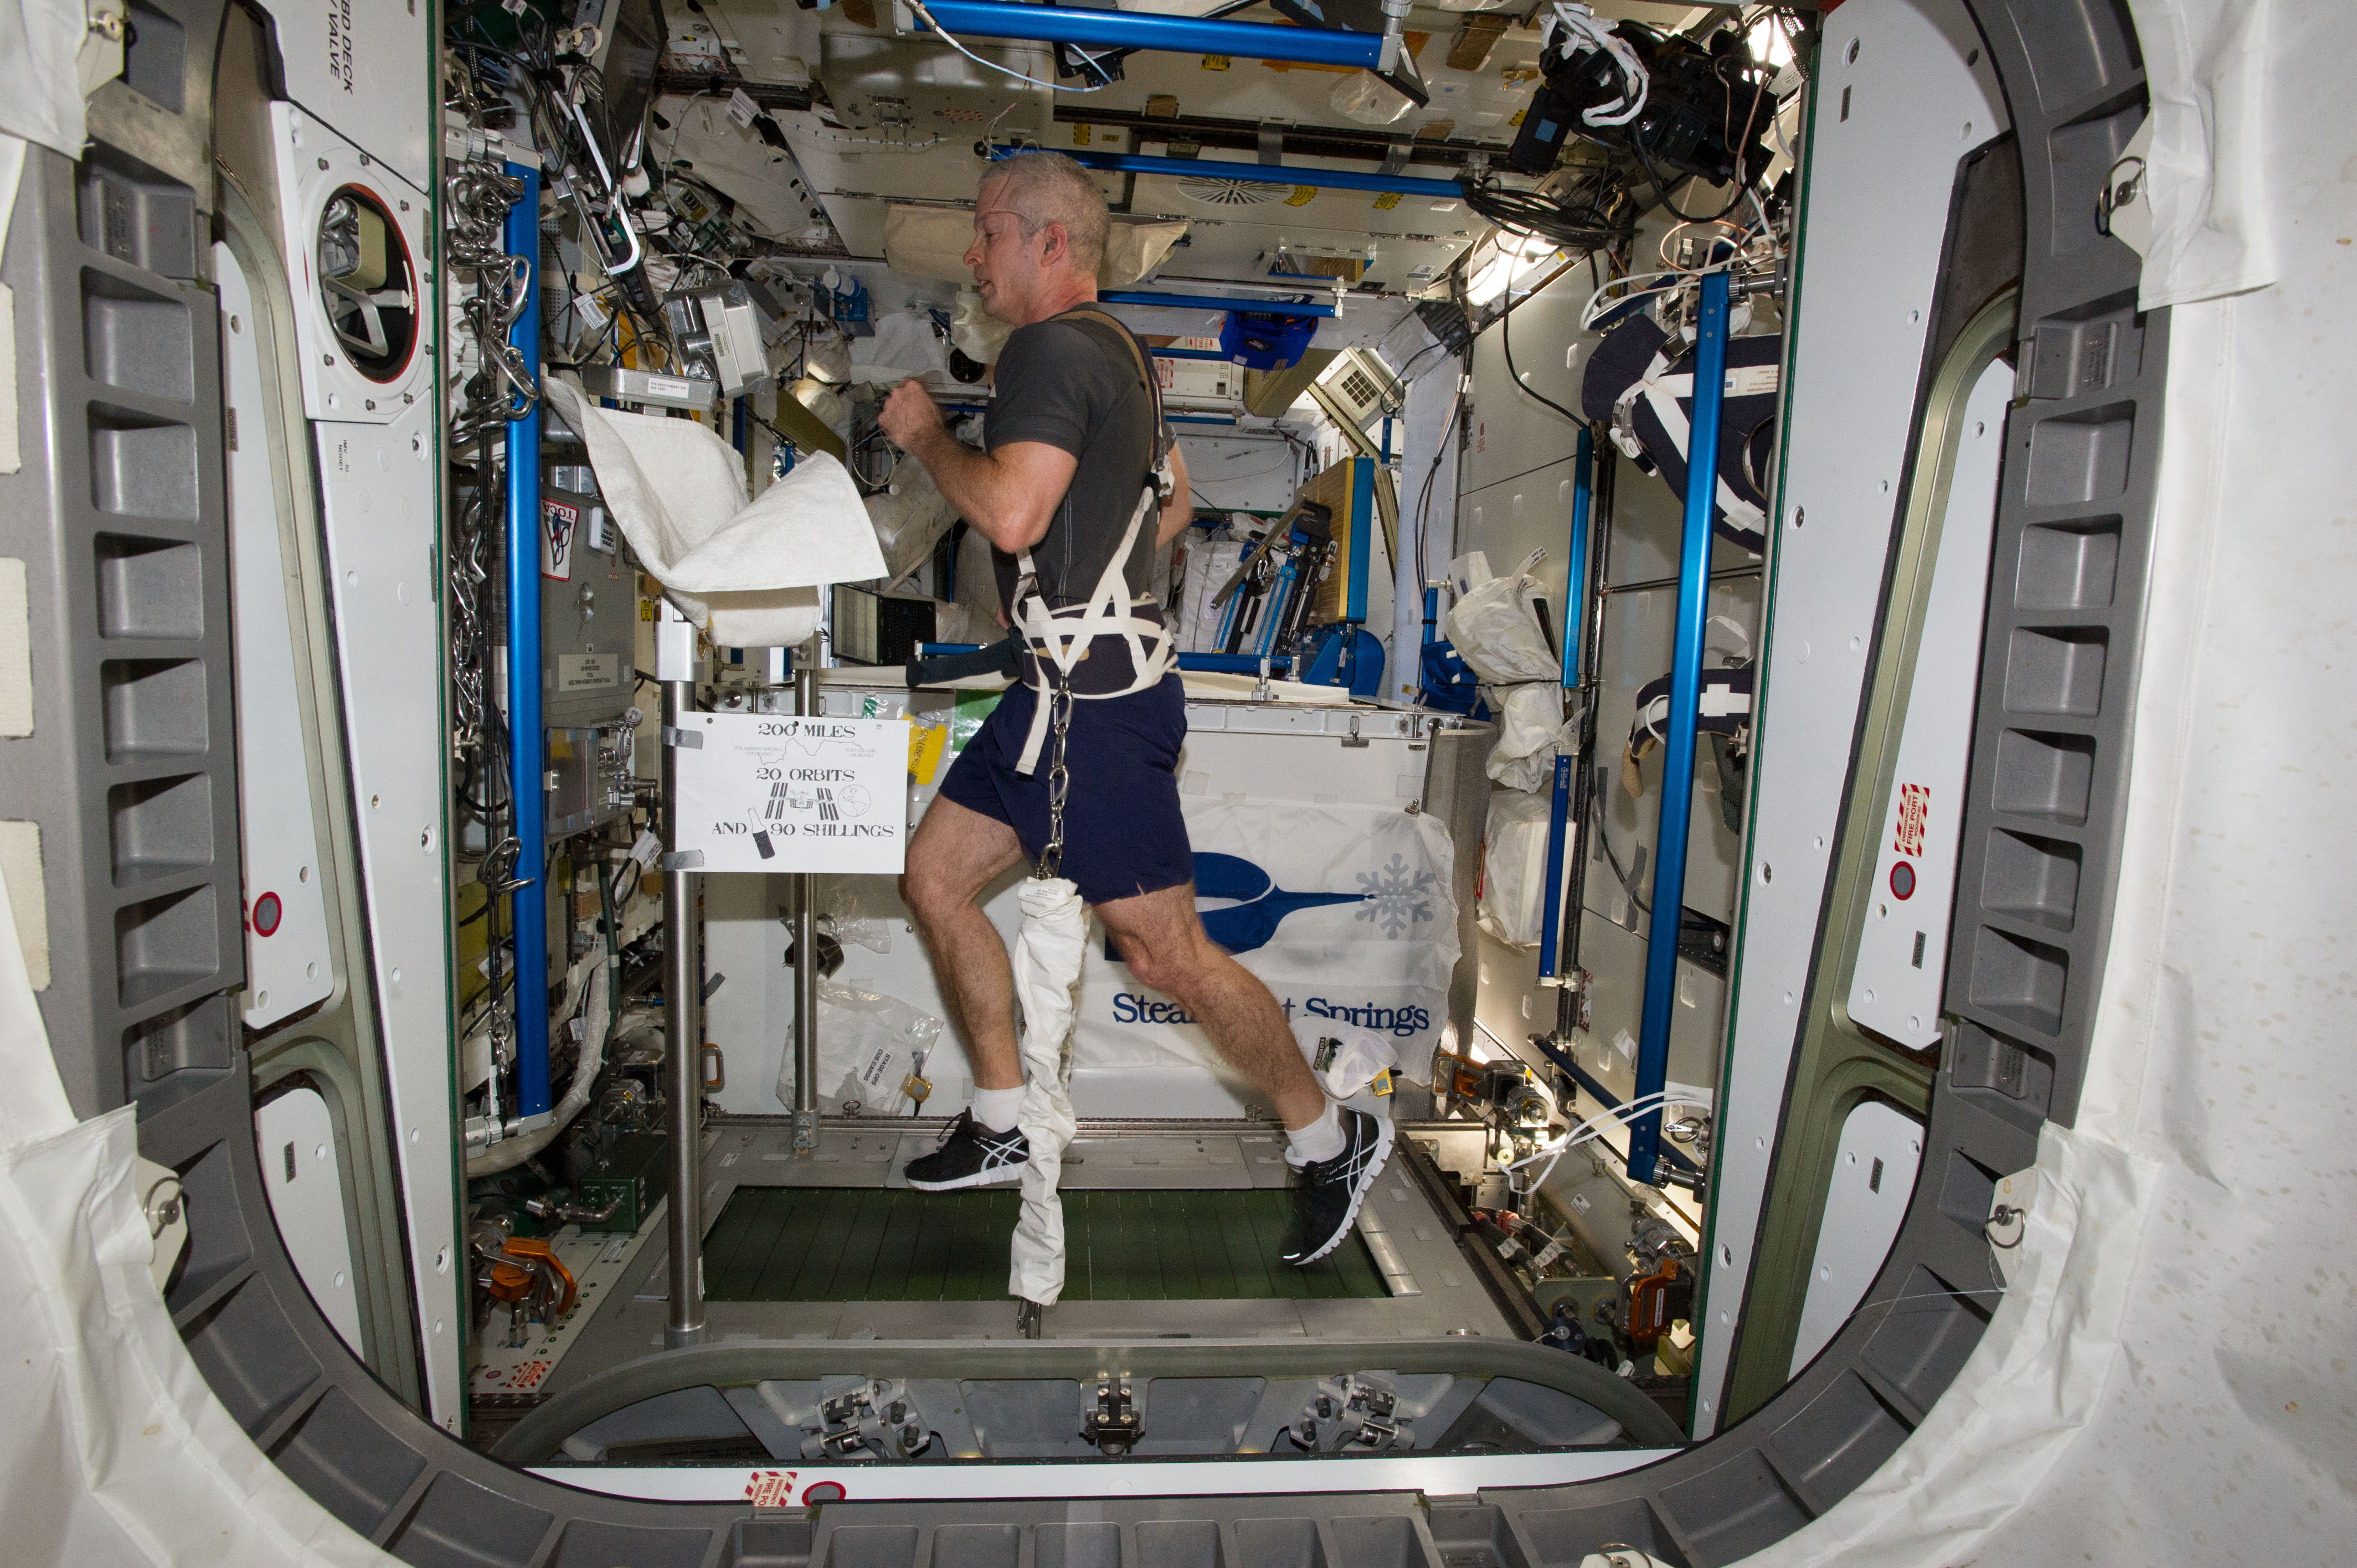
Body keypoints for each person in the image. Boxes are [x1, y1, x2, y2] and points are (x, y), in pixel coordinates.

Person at [874, 152, 1391, 1265]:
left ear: (1048, 242)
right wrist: (1077, 603)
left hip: (1094, 716)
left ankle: (1329, 1139)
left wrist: (925, 437)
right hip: (1053, 696)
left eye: (986, 231)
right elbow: (1174, 506)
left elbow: (1012, 516)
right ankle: (1003, 1122)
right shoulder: (1123, 357)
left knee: (1169, 957)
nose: (973, 254)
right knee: (935, 879)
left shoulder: (1047, 349)